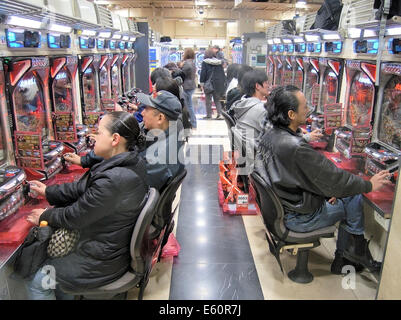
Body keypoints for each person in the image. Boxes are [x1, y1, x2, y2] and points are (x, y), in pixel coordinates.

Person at [254, 85, 391, 274]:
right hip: (298, 217)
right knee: (354, 196)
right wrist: (369, 184)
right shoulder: (297, 148)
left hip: (283, 209)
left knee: (343, 193)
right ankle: (350, 254)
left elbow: (297, 177)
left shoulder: (271, 135)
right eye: (304, 106)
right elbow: (335, 179)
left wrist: (326, 192)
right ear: (291, 114)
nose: (309, 108)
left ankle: (351, 254)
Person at [25, 111, 148, 299]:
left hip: (101, 260)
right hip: (112, 247)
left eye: (99, 133)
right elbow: (82, 188)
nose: (94, 137)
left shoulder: (113, 180)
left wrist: (44, 216)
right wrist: (48, 192)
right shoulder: (129, 161)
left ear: (115, 139)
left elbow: (75, 216)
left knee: (38, 282)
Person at [65, 90, 185, 192]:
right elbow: (128, 145)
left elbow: (128, 188)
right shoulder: (163, 130)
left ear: (160, 118)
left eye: (147, 109)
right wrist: (85, 160)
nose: (142, 112)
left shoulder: (160, 158)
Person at [199, 49, 226, 120]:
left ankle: (209, 115)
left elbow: (203, 73)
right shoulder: (219, 62)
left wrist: (202, 83)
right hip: (217, 84)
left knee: (208, 100)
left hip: (208, 83)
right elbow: (222, 74)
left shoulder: (205, 62)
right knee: (217, 100)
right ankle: (219, 114)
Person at [181, 48, 197, 129]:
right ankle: (192, 123)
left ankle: (193, 123)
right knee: (189, 105)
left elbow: (181, 74)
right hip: (191, 85)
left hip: (186, 86)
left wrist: (180, 67)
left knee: (188, 106)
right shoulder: (192, 63)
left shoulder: (187, 64)